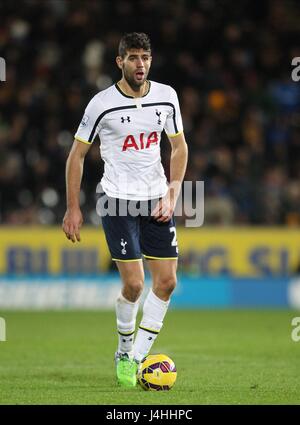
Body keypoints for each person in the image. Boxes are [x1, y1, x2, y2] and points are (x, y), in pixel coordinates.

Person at [62, 32, 188, 388]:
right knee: (134, 286)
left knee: (167, 282)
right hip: (116, 200)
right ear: (119, 62)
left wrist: (173, 192)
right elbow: (77, 155)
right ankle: (123, 349)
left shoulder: (167, 97)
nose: (140, 64)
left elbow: (179, 148)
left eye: (145, 57)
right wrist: (73, 208)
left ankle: (136, 358)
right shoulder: (101, 104)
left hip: (156, 201)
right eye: (133, 58)